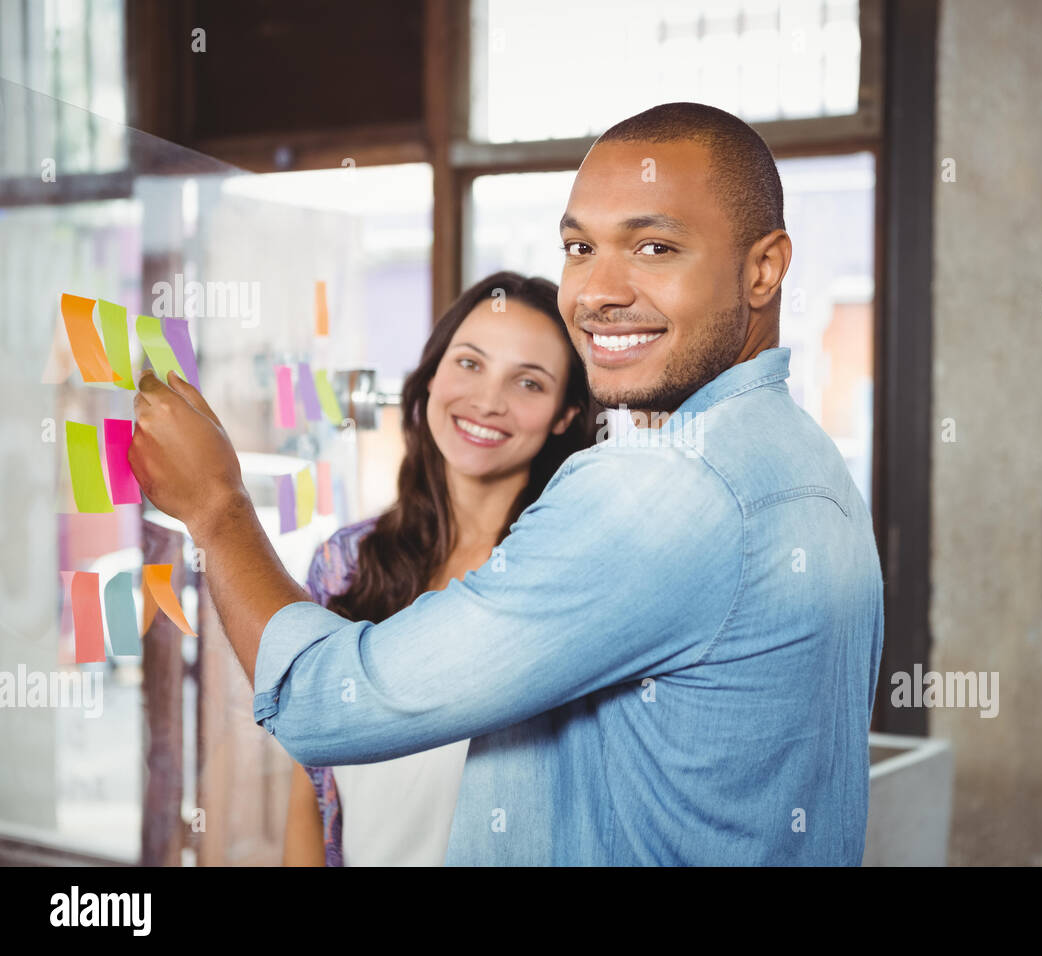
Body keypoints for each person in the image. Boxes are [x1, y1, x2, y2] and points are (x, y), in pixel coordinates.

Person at [129, 101, 886, 865]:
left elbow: (322, 702)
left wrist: (217, 505)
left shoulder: (663, 492)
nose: (597, 290)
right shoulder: (807, 464)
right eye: (580, 246)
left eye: (655, 246)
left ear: (763, 268)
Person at [281, 272, 596, 865]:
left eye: (528, 382)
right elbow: (307, 780)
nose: (488, 401)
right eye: (470, 364)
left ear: (564, 414)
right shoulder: (343, 564)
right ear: (430, 378)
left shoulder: (567, 580)